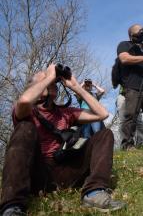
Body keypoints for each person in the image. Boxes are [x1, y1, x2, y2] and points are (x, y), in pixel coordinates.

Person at [0, 64, 126, 215]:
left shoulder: (65, 112)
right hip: (39, 172)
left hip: (66, 171)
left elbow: (102, 114)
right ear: (35, 87)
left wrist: (75, 87)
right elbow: (24, 101)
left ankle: (94, 192)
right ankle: (12, 206)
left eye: (54, 81)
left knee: (105, 134)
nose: (52, 81)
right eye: (47, 80)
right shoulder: (27, 111)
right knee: (24, 127)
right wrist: (49, 77)